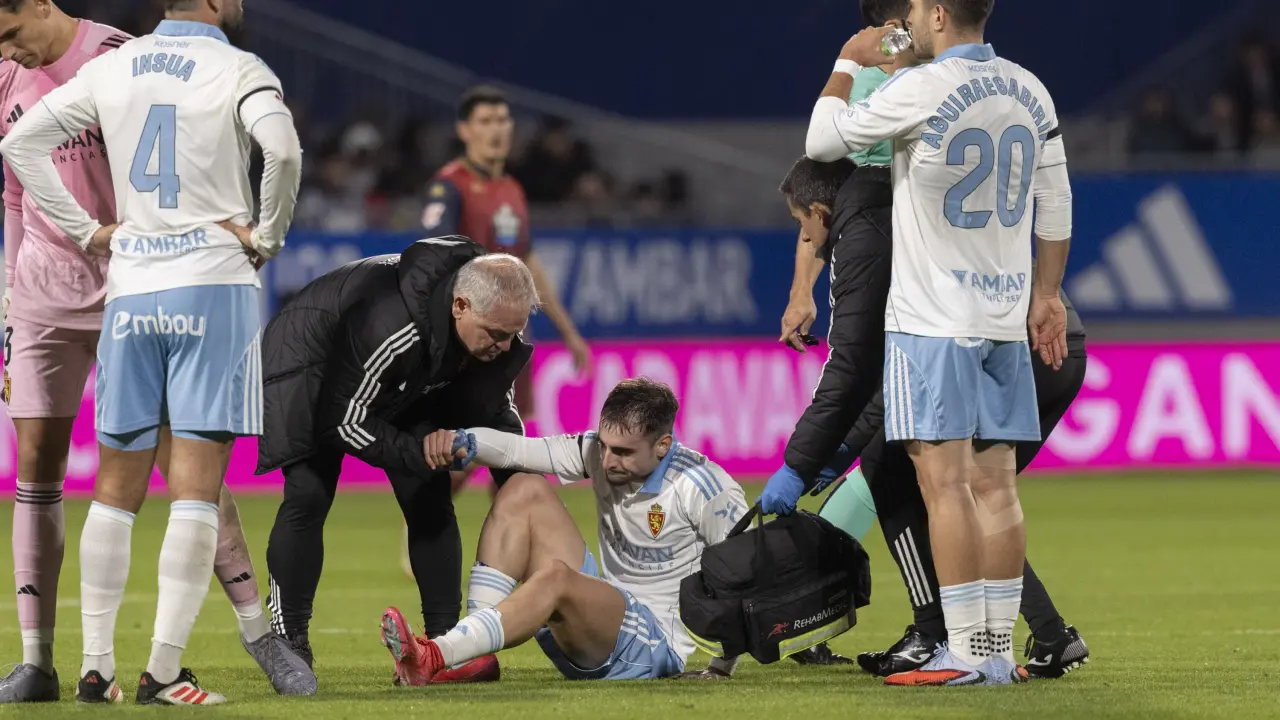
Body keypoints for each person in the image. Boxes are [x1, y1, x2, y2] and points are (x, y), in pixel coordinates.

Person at [0, 1, 312, 704]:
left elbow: (20, 145)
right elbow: (285, 152)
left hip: (128, 287)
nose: (8, 53)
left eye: (10, 35)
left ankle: (99, 668)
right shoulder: (237, 67)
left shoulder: (116, 61)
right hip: (198, 283)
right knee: (195, 486)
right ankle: (157, 672)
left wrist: (91, 232)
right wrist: (267, 236)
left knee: (118, 490)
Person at [800, 0, 1074, 686]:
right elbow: (1057, 202)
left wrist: (847, 61)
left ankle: (966, 652)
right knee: (997, 486)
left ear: (940, 14)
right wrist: (1047, 294)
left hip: (931, 322)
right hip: (1004, 317)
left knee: (943, 486)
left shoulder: (919, 88)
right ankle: (996, 653)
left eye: (919, 8)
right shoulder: (1030, 87)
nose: (911, 18)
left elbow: (822, 143)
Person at [772, 155, 1091, 679]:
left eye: (803, 225)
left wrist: (830, 452)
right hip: (1050, 335)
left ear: (822, 212)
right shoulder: (904, 202)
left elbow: (874, 378)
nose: (805, 239)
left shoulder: (873, 240)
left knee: (903, 474)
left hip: (1004, 342)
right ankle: (1048, 635)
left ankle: (933, 634)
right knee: (965, 492)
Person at [257, 239, 537, 684]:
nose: (504, 347)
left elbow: (498, 418)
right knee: (309, 493)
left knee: (429, 494)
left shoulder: (490, 327)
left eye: (513, 335)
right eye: (495, 334)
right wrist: (417, 452)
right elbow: (342, 421)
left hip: (400, 373)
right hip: (309, 360)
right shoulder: (392, 325)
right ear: (461, 306)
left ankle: (445, 647)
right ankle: (288, 639)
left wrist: (527, 491)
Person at [378, 378, 747, 684]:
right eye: (604, 445)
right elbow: (519, 450)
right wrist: (464, 440)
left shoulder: (702, 487)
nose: (607, 461)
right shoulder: (598, 453)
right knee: (524, 487)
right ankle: (471, 659)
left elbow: (745, 573)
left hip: (652, 647)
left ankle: (437, 655)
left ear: (663, 445)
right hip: (600, 621)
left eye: (622, 452)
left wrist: (720, 667)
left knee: (555, 576)